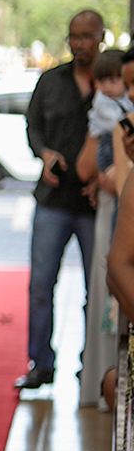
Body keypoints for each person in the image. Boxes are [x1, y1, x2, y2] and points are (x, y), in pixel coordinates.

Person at [16, 10, 102, 390]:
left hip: (95, 206)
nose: (78, 43)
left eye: (86, 36)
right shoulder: (51, 81)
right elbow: (32, 126)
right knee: (40, 286)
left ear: (100, 37)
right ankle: (42, 364)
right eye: (73, 36)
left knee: (95, 289)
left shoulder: (112, 82)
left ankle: (92, 364)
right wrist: (45, 153)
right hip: (52, 199)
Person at [74, 49, 129, 407]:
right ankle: (102, 379)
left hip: (121, 206)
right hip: (110, 211)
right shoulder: (104, 110)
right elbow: (84, 169)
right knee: (103, 291)